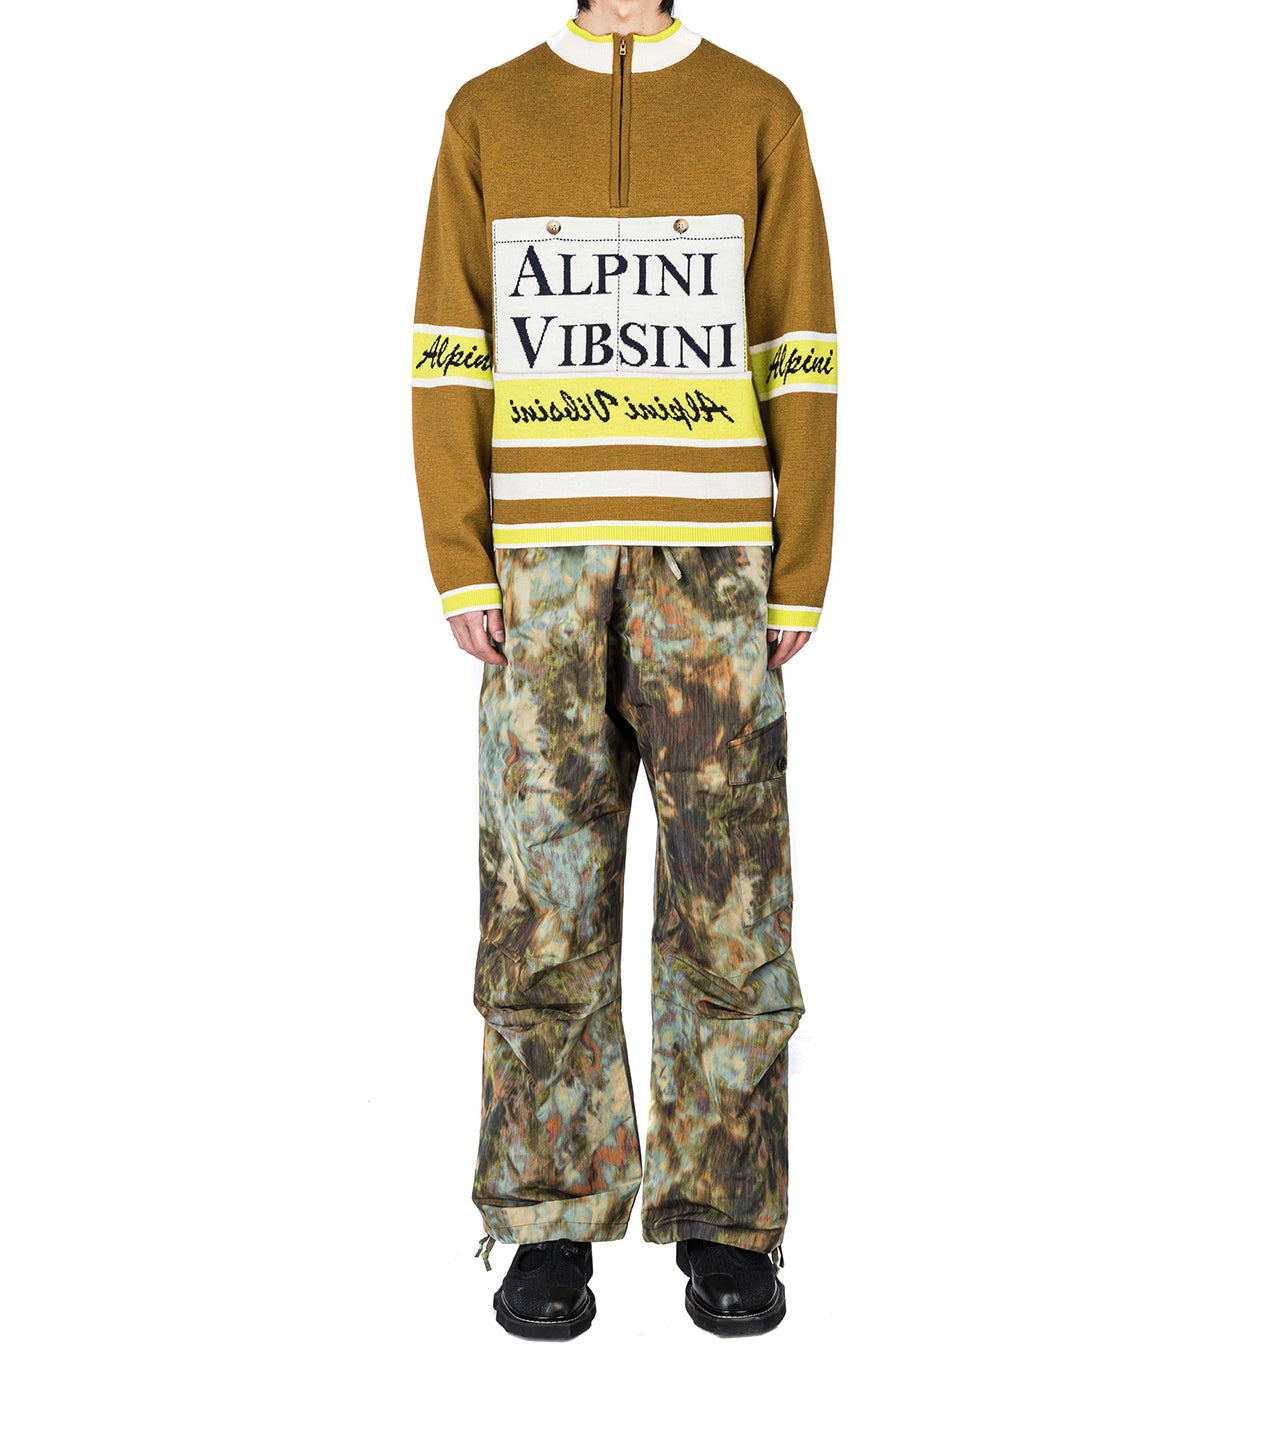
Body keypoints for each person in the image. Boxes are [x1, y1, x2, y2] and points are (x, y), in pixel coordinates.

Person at [410, 0, 836, 1339]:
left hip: (713, 569)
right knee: (539, 904)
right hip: (538, 575)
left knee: (732, 903)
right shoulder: (487, 112)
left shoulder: (758, 108)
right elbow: (448, 345)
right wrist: (461, 559)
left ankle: (728, 1216)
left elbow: (801, 349)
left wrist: (801, 565)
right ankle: (548, 1218)